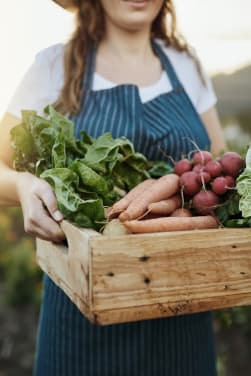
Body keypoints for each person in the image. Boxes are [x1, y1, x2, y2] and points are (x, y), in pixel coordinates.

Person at [0, 0, 227, 374]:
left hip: (183, 312)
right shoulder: (53, 67)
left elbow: (218, 167)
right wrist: (24, 185)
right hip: (82, 318)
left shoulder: (186, 64)